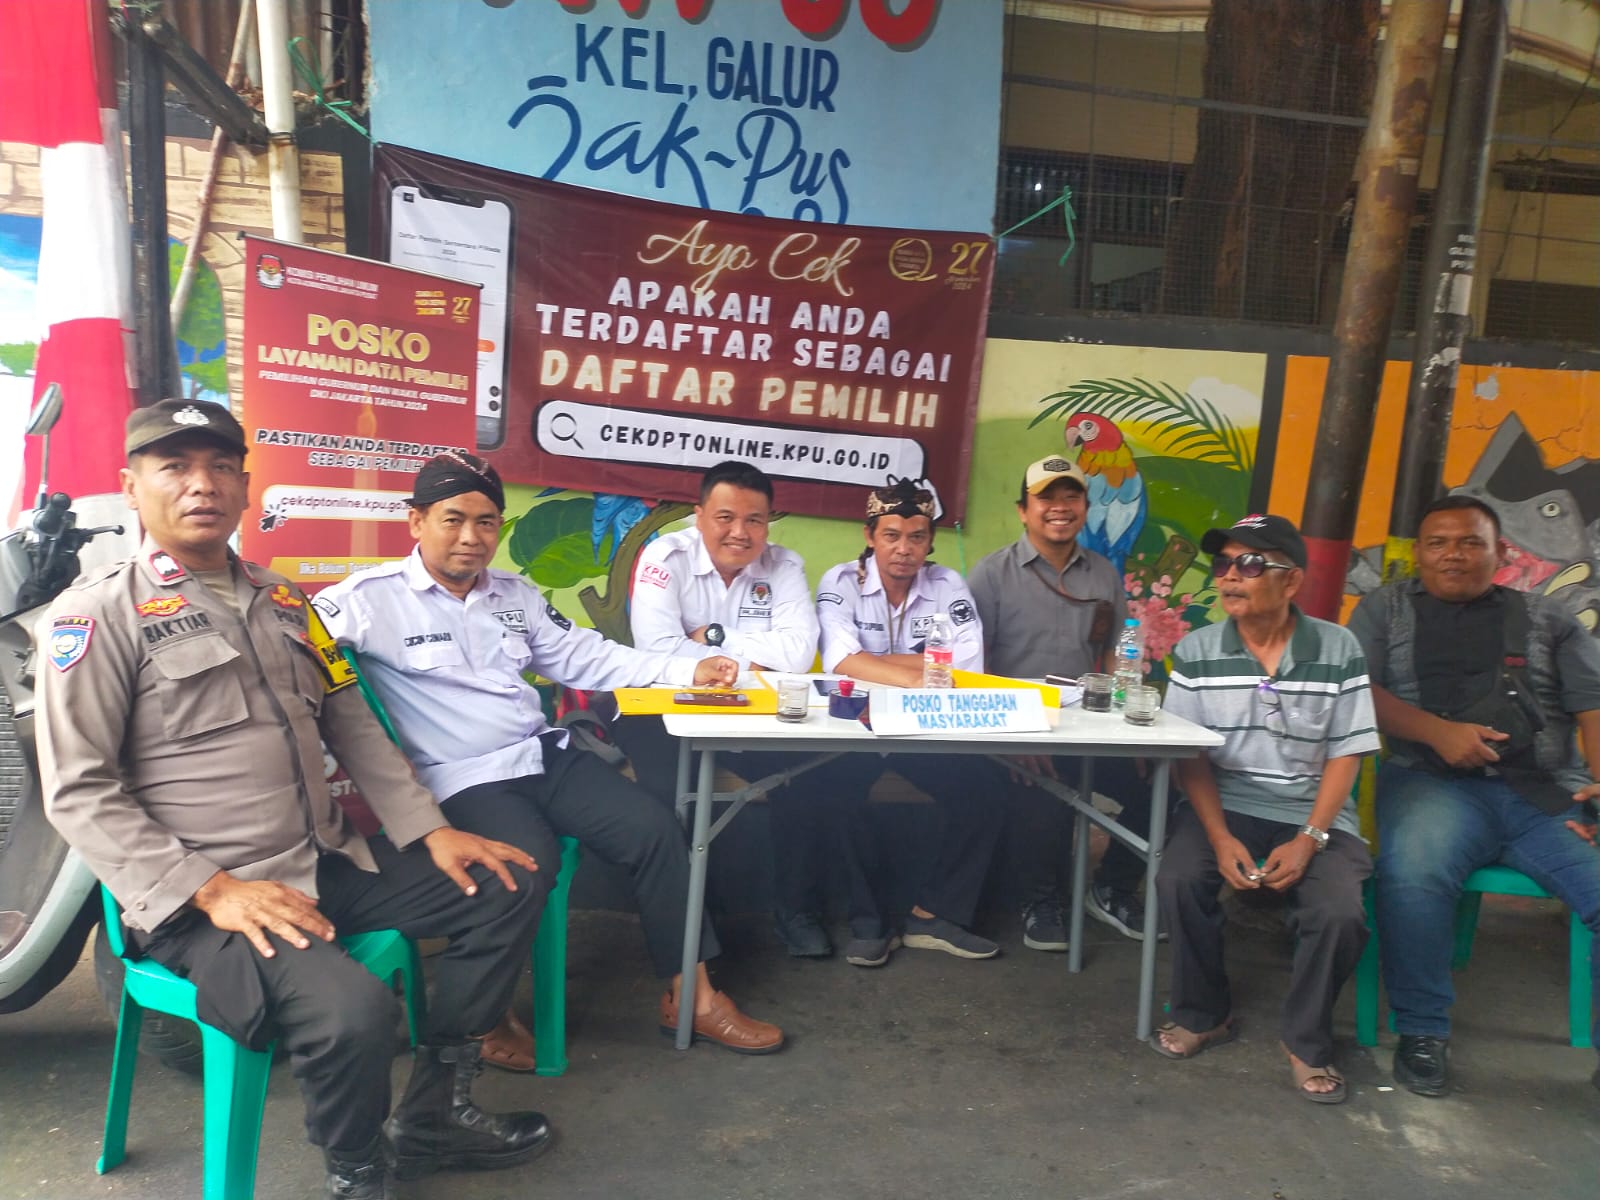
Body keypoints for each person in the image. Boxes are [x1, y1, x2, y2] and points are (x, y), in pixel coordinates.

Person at [39, 401, 551, 1199]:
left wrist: (429, 830)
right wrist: (212, 889)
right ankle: (357, 1171)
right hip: (205, 901)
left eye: (220, 467)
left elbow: (352, 723)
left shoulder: (285, 601)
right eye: (175, 467)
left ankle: (435, 1113)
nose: (201, 485)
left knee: (505, 882)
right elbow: (78, 790)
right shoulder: (98, 614)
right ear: (131, 487)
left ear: (245, 487)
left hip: (321, 861)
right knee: (355, 1013)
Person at [316, 452, 784, 1059]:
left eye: (486, 522)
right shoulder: (367, 600)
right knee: (523, 866)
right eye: (453, 519)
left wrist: (684, 668)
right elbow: (297, 659)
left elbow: (588, 656)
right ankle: (484, 1021)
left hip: (542, 757)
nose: (471, 537)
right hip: (463, 778)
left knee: (654, 828)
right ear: (416, 521)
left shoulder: (514, 595)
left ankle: (692, 998)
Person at [1348, 496, 1600, 1097]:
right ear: (1419, 552)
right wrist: (1437, 731)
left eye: (1470, 542)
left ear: (1500, 552)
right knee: (1414, 875)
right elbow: (1356, 688)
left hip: (1544, 795)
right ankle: (1422, 1030)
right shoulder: (1385, 609)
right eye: (1438, 543)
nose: (1453, 555)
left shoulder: (1549, 618)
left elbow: (1592, 706)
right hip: (1431, 785)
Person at [1153, 514, 1380, 1104]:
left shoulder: (1338, 648)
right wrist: (1219, 836)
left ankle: (1306, 1041)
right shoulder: (1197, 651)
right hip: (1226, 802)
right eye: (1223, 564)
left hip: (1315, 809)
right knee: (1178, 878)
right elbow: (1190, 757)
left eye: (1250, 564)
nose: (1230, 576)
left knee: (1339, 912)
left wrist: (1309, 838)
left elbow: (1347, 753)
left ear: (1292, 580)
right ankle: (1204, 1014)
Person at [617, 461, 831, 957]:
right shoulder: (665, 558)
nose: (740, 532)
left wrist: (713, 639)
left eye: (755, 520)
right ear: (699, 516)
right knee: (669, 794)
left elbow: (798, 654)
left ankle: (796, 911)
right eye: (725, 518)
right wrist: (752, 658)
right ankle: (696, 928)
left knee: (812, 776)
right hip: (667, 708)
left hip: (752, 710)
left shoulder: (784, 567)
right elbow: (657, 651)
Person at [807, 478, 1005, 966]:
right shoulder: (841, 581)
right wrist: (919, 670)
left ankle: (932, 914)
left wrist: (874, 663)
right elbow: (838, 660)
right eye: (892, 535)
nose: (904, 549)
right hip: (857, 726)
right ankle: (869, 923)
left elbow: (968, 664)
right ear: (870, 535)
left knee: (986, 789)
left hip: (925, 728)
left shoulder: (947, 585)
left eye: (917, 537)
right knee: (828, 791)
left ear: (930, 541)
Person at [968, 455, 1152, 952]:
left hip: (1086, 728)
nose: (1060, 507)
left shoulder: (1103, 574)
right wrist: (1013, 734)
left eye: (1071, 497)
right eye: (1046, 498)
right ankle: (1039, 900)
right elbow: (973, 666)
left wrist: (1129, 728)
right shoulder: (991, 575)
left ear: (1086, 508)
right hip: (1015, 733)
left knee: (1159, 781)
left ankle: (1111, 888)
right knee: (1042, 787)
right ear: (1023, 510)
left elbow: (1114, 653)